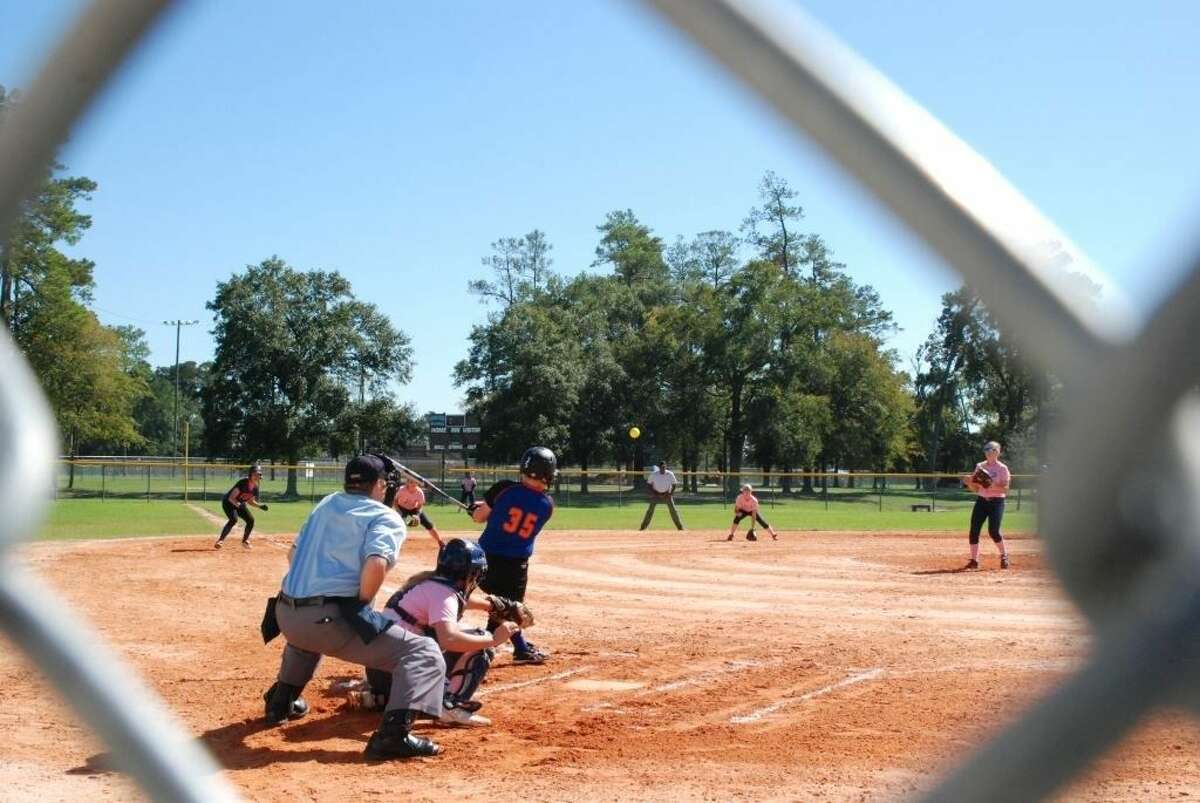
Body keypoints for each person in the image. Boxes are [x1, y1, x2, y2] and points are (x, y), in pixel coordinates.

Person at [261, 454, 447, 761]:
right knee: (423, 653)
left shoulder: (326, 504)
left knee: (307, 641)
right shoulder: (386, 517)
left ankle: (281, 703)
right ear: (380, 485)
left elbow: (293, 556)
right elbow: (376, 564)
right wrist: (358, 606)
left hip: (285, 615)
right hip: (326, 621)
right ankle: (393, 735)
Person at [359, 538, 522, 727]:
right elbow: (449, 639)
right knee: (480, 642)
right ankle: (450, 706)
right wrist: (493, 639)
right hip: (400, 671)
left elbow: (455, 603)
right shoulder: (444, 594)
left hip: (380, 671)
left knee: (429, 639)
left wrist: (490, 605)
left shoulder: (425, 583)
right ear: (471, 573)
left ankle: (383, 698)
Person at [469, 446, 556, 665]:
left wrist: (477, 510)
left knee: (502, 608)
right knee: (509, 607)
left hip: (485, 558)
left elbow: (480, 517)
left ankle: (512, 647)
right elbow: (519, 510)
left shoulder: (503, 488)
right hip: (515, 565)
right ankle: (514, 649)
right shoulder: (548, 505)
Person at [961, 441, 1011, 570]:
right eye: (986, 449)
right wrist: (969, 483)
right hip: (982, 500)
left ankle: (1004, 555)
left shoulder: (1002, 468)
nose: (988, 451)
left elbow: (1005, 489)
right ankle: (974, 560)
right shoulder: (980, 466)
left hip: (997, 502)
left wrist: (992, 484)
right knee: (974, 531)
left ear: (998, 452)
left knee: (994, 531)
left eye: (991, 449)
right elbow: (976, 489)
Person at [215, 464, 269, 549]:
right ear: (250, 474)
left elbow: (250, 501)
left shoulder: (255, 488)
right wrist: (238, 505)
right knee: (233, 519)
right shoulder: (243, 482)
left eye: (258, 474)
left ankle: (245, 541)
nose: (256, 476)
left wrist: (260, 506)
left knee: (250, 520)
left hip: (239, 503)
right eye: (255, 474)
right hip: (228, 503)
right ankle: (220, 540)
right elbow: (231, 498)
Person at [391, 475, 445, 548]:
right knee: (397, 525)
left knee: (428, 524)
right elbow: (395, 501)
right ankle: (393, 543)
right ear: (407, 483)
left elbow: (420, 505)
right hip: (402, 508)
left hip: (414, 508)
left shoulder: (419, 492)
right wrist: (398, 511)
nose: (413, 484)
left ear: (417, 483)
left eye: (415, 482)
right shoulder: (401, 490)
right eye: (411, 482)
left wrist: (417, 514)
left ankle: (440, 541)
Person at [639, 461, 684, 531]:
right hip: (656, 495)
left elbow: (674, 484)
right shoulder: (654, 474)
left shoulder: (670, 474)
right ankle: (643, 528)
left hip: (667, 495)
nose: (663, 468)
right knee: (650, 511)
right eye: (661, 467)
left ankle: (680, 528)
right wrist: (654, 493)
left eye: (664, 467)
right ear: (659, 467)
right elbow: (649, 484)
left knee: (673, 511)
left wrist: (670, 494)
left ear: (666, 467)